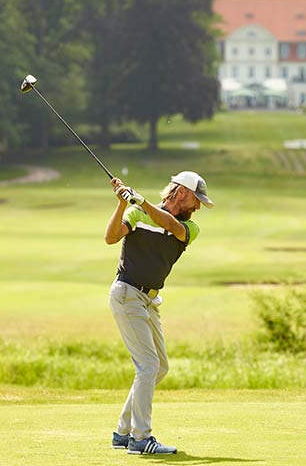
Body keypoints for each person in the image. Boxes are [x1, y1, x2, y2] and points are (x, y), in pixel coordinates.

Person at [104, 170, 214, 455]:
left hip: (149, 301)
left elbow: (170, 224)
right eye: (196, 200)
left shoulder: (189, 229)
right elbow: (110, 238)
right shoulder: (138, 215)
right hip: (128, 294)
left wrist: (140, 201)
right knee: (148, 366)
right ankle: (140, 438)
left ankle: (122, 432)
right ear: (180, 193)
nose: (198, 206)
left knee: (159, 367)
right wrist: (122, 204)